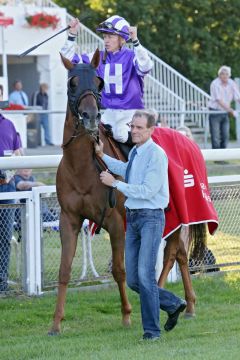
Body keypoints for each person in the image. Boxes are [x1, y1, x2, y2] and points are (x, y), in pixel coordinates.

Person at [94, 110, 186, 341]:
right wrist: (102, 155)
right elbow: (127, 171)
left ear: (151, 130)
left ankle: (152, 332)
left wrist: (115, 184)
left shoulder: (156, 155)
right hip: (134, 218)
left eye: (139, 128)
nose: (134, 131)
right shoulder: (135, 151)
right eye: (132, 126)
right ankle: (173, 303)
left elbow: (148, 190)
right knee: (134, 280)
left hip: (151, 218)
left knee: (145, 276)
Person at [60, 15, 153, 144]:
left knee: (120, 134)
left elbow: (146, 66)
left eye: (110, 37)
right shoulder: (98, 57)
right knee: (92, 134)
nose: (106, 41)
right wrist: (72, 34)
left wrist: (135, 41)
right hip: (109, 112)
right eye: (105, 37)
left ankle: (137, 158)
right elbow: (68, 60)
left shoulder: (132, 56)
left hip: (130, 111)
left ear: (122, 39)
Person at [0, 85, 22, 292]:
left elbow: (18, 152)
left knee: (5, 237)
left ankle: (2, 282)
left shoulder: (9, 125)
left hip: (7, 188)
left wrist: (10, 171)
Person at [208, 65, 240, 149]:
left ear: (229, 75)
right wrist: (231, 110)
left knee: (225, 135)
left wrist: (230, 110)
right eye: (222, 73)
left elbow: (238, 97)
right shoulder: (215, 83)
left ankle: (223, 156)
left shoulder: (232, 83)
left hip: (225, 112)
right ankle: (216, 157)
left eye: (226, 74)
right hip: (215, 111)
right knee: (215, 136)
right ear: (219, 75)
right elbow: (219, 100)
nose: (224, 75)